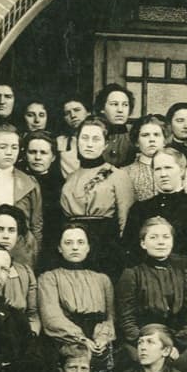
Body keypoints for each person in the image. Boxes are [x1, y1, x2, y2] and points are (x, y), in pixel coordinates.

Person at [40, 224, 118, 372]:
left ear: (88, 247)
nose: (75, 247)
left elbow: (110, 317)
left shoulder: (103, 279)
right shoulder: (49, 278)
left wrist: (103, 337)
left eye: (81, 242)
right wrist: (81, 339)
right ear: (59, 248)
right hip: (65, 339)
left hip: (98, 339)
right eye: (68, 243)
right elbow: (51, 317)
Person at [115, 218, 187, 366]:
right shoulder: (132, 274)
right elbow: (126, 319)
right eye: (153, 237)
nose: (161, 242)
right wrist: (145, 343)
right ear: (143, 243)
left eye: (166, 237)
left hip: (175, 342)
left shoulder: (182, 272)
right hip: (140, 341)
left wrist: (175, 345)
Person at [60, 117, 134, 277]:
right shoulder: (70, 178)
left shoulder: (118, 175)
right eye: (84, 138)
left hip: (104, 247)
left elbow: (125, 221)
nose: (89, 144)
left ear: (105, 144)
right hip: (74, 244)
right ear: (77, 141)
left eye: (96, 139)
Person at [0, 122, 42, 268]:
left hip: (21, 255)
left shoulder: (29, 183)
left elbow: (36, 225)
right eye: (2, 147)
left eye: (14, 147)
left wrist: (33, 254)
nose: (9, 152)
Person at [22, 129, 65, 264]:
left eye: (43, 153)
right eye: (32, 152)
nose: (38, 157)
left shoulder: (61, 186)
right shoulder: (19, 181)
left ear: (53, 157)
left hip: (51, 248)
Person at [121, 114, 169, 203]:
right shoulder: (125, 173)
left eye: (156, 135)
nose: (152, 139)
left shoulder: (175, 169)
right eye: (145, 135)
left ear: (164, 140)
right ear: (136, 142)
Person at [93, 82, 136, 167]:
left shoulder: (134, 136)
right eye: (114, 104)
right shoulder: (93, 134)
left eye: (125, 105)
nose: (120, 110)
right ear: (102, 108)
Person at [56, 97, 92, 176]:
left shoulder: (100, 139)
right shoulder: (60, 141)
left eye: (77, 110)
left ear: (88, 112)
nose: (73, 115)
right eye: (67, 113)